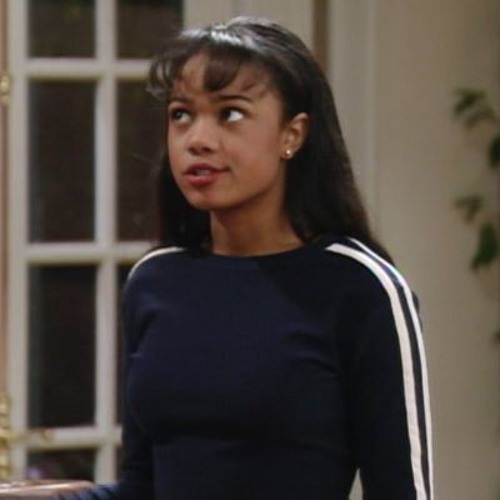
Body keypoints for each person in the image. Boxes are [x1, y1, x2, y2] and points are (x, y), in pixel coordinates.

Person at [66, 16, 433, 500]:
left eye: (230, 114)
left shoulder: (361, 287)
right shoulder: (155, 281)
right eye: (181, 114)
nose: (197, 139)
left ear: (292, 135)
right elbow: (143, 488)